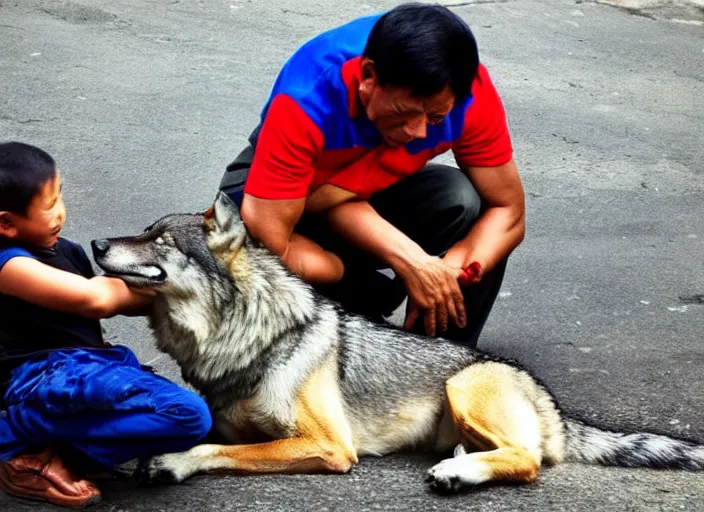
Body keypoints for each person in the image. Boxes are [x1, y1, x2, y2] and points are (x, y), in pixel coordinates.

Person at [219, 3, 525, 347]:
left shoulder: (468, 97)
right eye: (404, 113)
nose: (418, 132)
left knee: (462, 201)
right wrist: (393, 264)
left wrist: (447, 276)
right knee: (243, 254)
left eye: (436, 118)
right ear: (368, 77)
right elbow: (279, 236)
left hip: (350, 190)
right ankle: (354, 302)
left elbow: (507, 212)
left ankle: (438, 363)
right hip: (287, 204)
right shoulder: (306, 99)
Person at [0, 142, 212, 508]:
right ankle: (15, 432)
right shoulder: (9, 266)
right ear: (5, 222)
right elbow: (94, 299)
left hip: (90, 369)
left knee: (184, 421)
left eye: (59, 197)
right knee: (187, 415)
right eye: (49, 206)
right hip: (46, 374)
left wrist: (172, 286)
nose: (60, 213)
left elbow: (116, 302)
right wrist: (163, 288)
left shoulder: (66, 251)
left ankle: (59, 453)